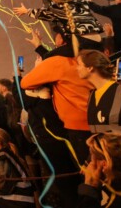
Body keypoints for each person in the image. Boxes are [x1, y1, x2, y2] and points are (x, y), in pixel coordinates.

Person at [20, 30, 92, 163]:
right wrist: (38, 46)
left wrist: (38, 68)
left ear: (62, 39)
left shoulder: (58, 61)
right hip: (96, 118)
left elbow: (25, 83)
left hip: (77, 125)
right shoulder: (83, 56)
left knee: (90, 167)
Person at [13, 0, 103, 51]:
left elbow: (40, 13)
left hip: (81, 43)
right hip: (98, 38)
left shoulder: (55, 9)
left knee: (54, 57)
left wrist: (25, 11)